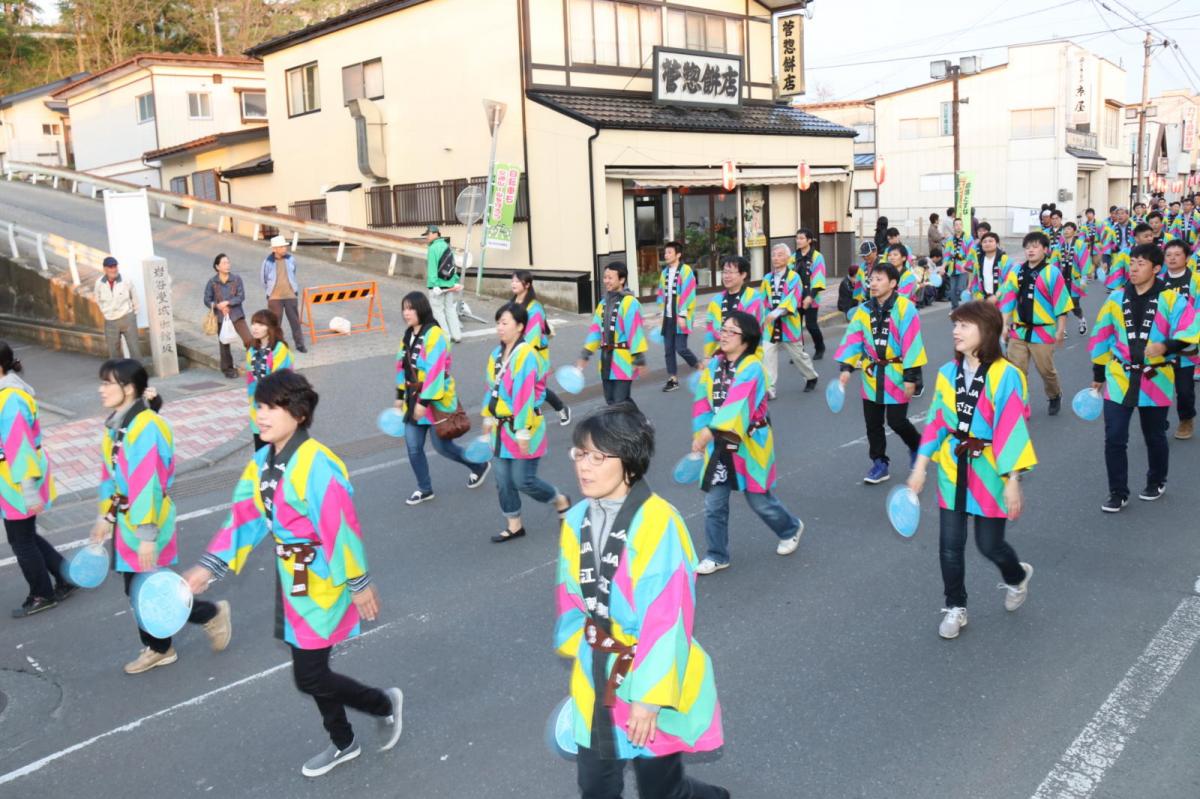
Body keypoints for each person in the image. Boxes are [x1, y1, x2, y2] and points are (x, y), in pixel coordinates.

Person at [183, 371, 401, 778]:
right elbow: (243, 520)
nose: (261, 415)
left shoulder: (317, 464)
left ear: (298, 414)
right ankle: (344, 739)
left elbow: (340, 528)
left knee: (310, 675)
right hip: (295, 578)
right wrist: (207, 569)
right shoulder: (263, 462)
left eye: (271, 407)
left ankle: (381, 705)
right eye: (259, 406)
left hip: (323, 579)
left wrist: (358, 582)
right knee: (312, 672)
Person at [555, 406, 727, 799]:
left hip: (646, 673)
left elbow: (667, 619)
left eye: (598, 457)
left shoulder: (658, 524)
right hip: (597, 673)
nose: (585, 466)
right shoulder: (576, 518)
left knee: (660, 791)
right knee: (595, 786)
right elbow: (569, 597)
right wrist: (578, 648)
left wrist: (648, 700)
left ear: (629, 463)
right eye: (580, 454)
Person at [88, 359, 231, 674]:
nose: (101, 389)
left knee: (147, 588)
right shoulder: (118, 424)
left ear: (129, 388)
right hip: (128, 521)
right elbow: (111, 476)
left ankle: (193, 624)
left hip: (144, 523)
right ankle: (164, 644)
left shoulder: (147, 426)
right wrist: (105, 516)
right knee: (141, 588)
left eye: (107, 383)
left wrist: (146, 536)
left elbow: (147, 485)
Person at [908, 301, 1036, 640]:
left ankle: (1015, 576)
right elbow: (936, 422)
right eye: (955, 325)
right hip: (953, 465)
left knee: (989, 545)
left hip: (991, 468)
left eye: (964, 325)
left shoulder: (1007, 374)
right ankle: (955, 606)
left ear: (987, 331)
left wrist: (1012, 481)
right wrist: (921, 466)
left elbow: (1011, 428)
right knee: (949, 544)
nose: (955, 331)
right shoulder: (947, 373)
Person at [691, 311, 804, 574]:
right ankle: (717, 554)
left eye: (732, 331)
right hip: (719, 445)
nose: (724, 334)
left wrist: (710, 430)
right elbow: (702, 403)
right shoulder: (714, 366)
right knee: (714, 503)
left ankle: (790, 528)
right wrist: (700, 432)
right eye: (724, 329)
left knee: (758, 500)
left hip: (749, 443)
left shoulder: (753, 367)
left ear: (747, 339)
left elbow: (737, 403)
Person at [1090, 244, 1199, 512]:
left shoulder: (1172, 299)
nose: (1134, 268)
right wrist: (1098, 373)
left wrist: (1166, 347)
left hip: (1156, 376)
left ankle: (1157, 479)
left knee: (1154, 436)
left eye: (1141, 263)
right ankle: (1118, 492)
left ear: (1156, 268)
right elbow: (1102, 336)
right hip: (1119, 375)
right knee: (1114, 436)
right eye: (1132, 262)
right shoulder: (1115, 298)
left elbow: (1192, 336)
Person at [1, 343, 76, 618]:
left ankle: (41, 594)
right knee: (25, 536)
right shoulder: (7, 395)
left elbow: (19, 448)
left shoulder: (10, 399)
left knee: (21, 540)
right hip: (13, 481)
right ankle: (65, 576)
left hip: (19, 481)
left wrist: (29, 491)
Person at [835, 262, 927, 484]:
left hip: (897, 372)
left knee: (897, 421)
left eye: (879, 279)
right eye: (871, 279)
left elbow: (912, 343)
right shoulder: (864, 309)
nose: (873, 284)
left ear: (893, 283)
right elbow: (854, 338)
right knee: (873, 423)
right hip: (871, 372)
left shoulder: (906, 308)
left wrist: (911, 377)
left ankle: (917, 447)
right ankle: (879, 462)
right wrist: (847, 367)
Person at [486, 303, 571, 542]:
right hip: (500, 428)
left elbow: (523, 395)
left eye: (505, 323)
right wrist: (486, 417)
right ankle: (514, 524)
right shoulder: (495, 354)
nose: (499, 328)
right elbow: (490, 389)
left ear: (520, 326)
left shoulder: (526, 355)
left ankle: (560, 500)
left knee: (523, 480)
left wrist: (522, 431)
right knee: (503, 480)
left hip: (523, 426)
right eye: (498, 323)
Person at [395, 291, 489, 506]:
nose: (406, 313)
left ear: (421, 309)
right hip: (413, 399)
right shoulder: (407, 335)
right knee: (413, 447)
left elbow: (435, 372)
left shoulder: (435, 334)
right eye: (404, 308)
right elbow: (402, 367)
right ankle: (424, 488)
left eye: (410, 308)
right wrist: (400, 395)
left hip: (435, 401)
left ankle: (478, 465)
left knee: (443, 447)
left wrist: (424, 402)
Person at [998, 232, 1072, 416]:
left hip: (1043, 331)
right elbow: (1008, 299)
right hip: (1019, 330)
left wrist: (1061, 329)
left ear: (1045, 250)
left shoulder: (1052, 272)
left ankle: (1055, 394)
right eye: (1027, 247)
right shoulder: (1016, 271)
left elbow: (1061, 303)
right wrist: (1003, 325)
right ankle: (1021, 404)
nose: (1030, 250)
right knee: (1017, 370)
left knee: (1046, 370)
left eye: (1035, 246)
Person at [578, 263, 648, 407]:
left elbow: (635, 331)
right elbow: (596, 330)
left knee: (619, 402)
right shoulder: (603, 303)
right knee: (611, 401)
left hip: (622, 360)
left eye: (610, 278)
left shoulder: (630, 303)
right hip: (606, 360)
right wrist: (586, 353)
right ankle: (638, 424)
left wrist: (639, 358)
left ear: (621, 280)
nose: (606, 281)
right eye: (605, 277)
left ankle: (633, 426)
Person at [512, 270, 571, 424]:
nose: (513, 283)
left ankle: (537, 419)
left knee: (533, 387)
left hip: (533, 353)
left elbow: (531, 338)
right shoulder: (513, 303)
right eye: (513, 280)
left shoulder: (534, 307)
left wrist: (517, 352)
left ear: (527, 285)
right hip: (516, 351)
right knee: (526, 386)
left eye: (517, 281)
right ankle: (555, 409)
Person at [761, 243, 818, 399]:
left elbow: (793, 297)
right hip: (771, 325)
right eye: (774, 255)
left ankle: (811, 376)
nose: (776, 258)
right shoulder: (767, 278)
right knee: (767, 355)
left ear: (787, 258)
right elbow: (762, 300)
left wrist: (778, 311)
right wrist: (761, 316)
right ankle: (769, 389)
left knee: (798, 355)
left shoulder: (794, 277)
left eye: (780, 255)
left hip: (789, 323)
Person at [1162, 240, 1200, 440]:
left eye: (1177, 254)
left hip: (1186, 344)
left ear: (1187, 257)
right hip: (1160, 343)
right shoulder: (1156, 279)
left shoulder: (1197, 281)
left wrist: (1189, 336)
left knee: (1184, 390)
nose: (1173, 258)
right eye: (1169, 255)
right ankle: (1159, 420)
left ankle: (1186, 419)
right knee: (1157, 384)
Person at [246, 309, 294, 452]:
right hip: (259, 406)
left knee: (280, 451)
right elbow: (251, 382)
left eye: (261, 324)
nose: (255, 328)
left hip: (278, 405)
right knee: (262, 450)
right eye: (254, 323)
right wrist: (256, 407)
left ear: (271, 328)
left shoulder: (280, 349)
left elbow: (280, 380)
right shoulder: (252, 350)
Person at [655, 241, 701, 393]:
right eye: (665, 252)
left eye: (669, 252)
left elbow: (688, 293)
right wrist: (662, 313)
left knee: (681, 348)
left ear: (678, 255)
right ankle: (673, 379)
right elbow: (661, 294)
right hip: (668, 317)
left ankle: (699, 367)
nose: (666, 255)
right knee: (668, 350)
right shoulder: (664, 273)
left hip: (682, 317)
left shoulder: (686, 271)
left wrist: (682, 315)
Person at [703, 255, 764, 365]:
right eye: (724, 272)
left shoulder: (753, 298)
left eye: (731, 272)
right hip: (720, 355)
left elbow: (754, 331)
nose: (726, 276)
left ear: (743, 275)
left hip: (747, 355)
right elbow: (710, 330)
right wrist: (707, 355)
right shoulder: (716, 301)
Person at [204, 253, 252, 379]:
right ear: (217, 266)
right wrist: (217, 305)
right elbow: (206, 299)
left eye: (228, 262)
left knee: (249, 339)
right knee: (224, 343)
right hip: (220, 316)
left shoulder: (236, 279)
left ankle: (255, 363)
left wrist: (228, 303)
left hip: (236, 314)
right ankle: (228, 369)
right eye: (224, 263)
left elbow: (241, 296)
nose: (227, 265)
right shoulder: (212, 282)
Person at [261, 235, 307, 353]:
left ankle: (300, 344)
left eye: (285, 246)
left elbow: (293, 272)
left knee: (295, 321)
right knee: (275, 323)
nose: (284, 249)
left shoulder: (290, 259)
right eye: (281, 247)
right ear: (274, 249)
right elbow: (264, 279)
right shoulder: (267, 262)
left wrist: (293, 289)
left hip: (290, 295)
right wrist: (270, 293)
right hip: (275, 297)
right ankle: (275, 345)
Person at [95, 256, 142, 360]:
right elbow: (97, 299)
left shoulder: (126, 281)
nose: (114, 269)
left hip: (127, 318)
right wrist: (105, 312)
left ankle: (138, 374)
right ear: (105, 269)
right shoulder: (99, 283)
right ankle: (117, 375)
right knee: (113, 352)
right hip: (110, 321)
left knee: (135, 350)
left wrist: (134, 313)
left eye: (115, 266)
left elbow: (134, 296)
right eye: (111, 267)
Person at [790, 228, 828, 359]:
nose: (798, 241)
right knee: (796, 326)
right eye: (797, 238)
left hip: (811, 296)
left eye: (801, 238)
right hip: (796, 297)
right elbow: (788, 276)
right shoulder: (793, 257)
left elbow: (819, 279)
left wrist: (810, 297)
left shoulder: (817, 257)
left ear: (809, 240)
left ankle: (820, 347)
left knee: (811, 325)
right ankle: (799, 351)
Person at [424, 225, 463, 343]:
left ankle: (445, 337)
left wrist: (434, 284)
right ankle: (457, 336)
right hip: (449, 284)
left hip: (437, 286)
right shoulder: (447, 246)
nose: (426, 237)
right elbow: (453, 265)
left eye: (427, 234)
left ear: (434, 233)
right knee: (450, 309)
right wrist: (455, 281)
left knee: (438, 311)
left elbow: (432, 269)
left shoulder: (433, 248)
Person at [1060, 223, 1090, 334]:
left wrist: (1083, 278)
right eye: (1065, 229)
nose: (1066, 231)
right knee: (1062, 304)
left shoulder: (1080, 244)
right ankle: (1062, 329)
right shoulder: (1060, 245)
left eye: (1069, 229)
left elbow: (1085, 261)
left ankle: (1081, 320)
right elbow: (1054, 261)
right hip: (1062, 280)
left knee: (1074, 304)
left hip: (1075, 280)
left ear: (1074, 231)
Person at [968, 232, 1011, 302]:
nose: (987, 243)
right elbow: (976, 279)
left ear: (997, 243)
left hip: (1001, 299)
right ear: (981, 245)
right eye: (984, 242)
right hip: (983, 299)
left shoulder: (1005, 260)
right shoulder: (979, 261)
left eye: (990, 241)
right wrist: (977, 295)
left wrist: (996, 296)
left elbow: (1009, 280)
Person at [1101, 206, 1135, 292]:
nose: (1120, 216)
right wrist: (1105, 260)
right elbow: (1107, 244)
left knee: (1132, 280)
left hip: (1131, 256)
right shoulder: (1113, 228)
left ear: (1127, 215)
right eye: (1118, 214)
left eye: (1122, 213)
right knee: (1116, 282)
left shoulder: (1135, 226)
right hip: (1117, 256)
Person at [945, 218, 973, 309]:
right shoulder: (950, 239)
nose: (958, 226)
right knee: (952, 290)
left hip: (963, 267)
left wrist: (969, 266)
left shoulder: (968, 238)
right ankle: (955, 308)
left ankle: (963, 308)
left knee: (960, 289)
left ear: (962, 226)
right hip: (952, 267)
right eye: (956, 225)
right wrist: (943, 266)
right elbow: (947, 254)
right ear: (953, 227)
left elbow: (971, 253)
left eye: (960, 224)